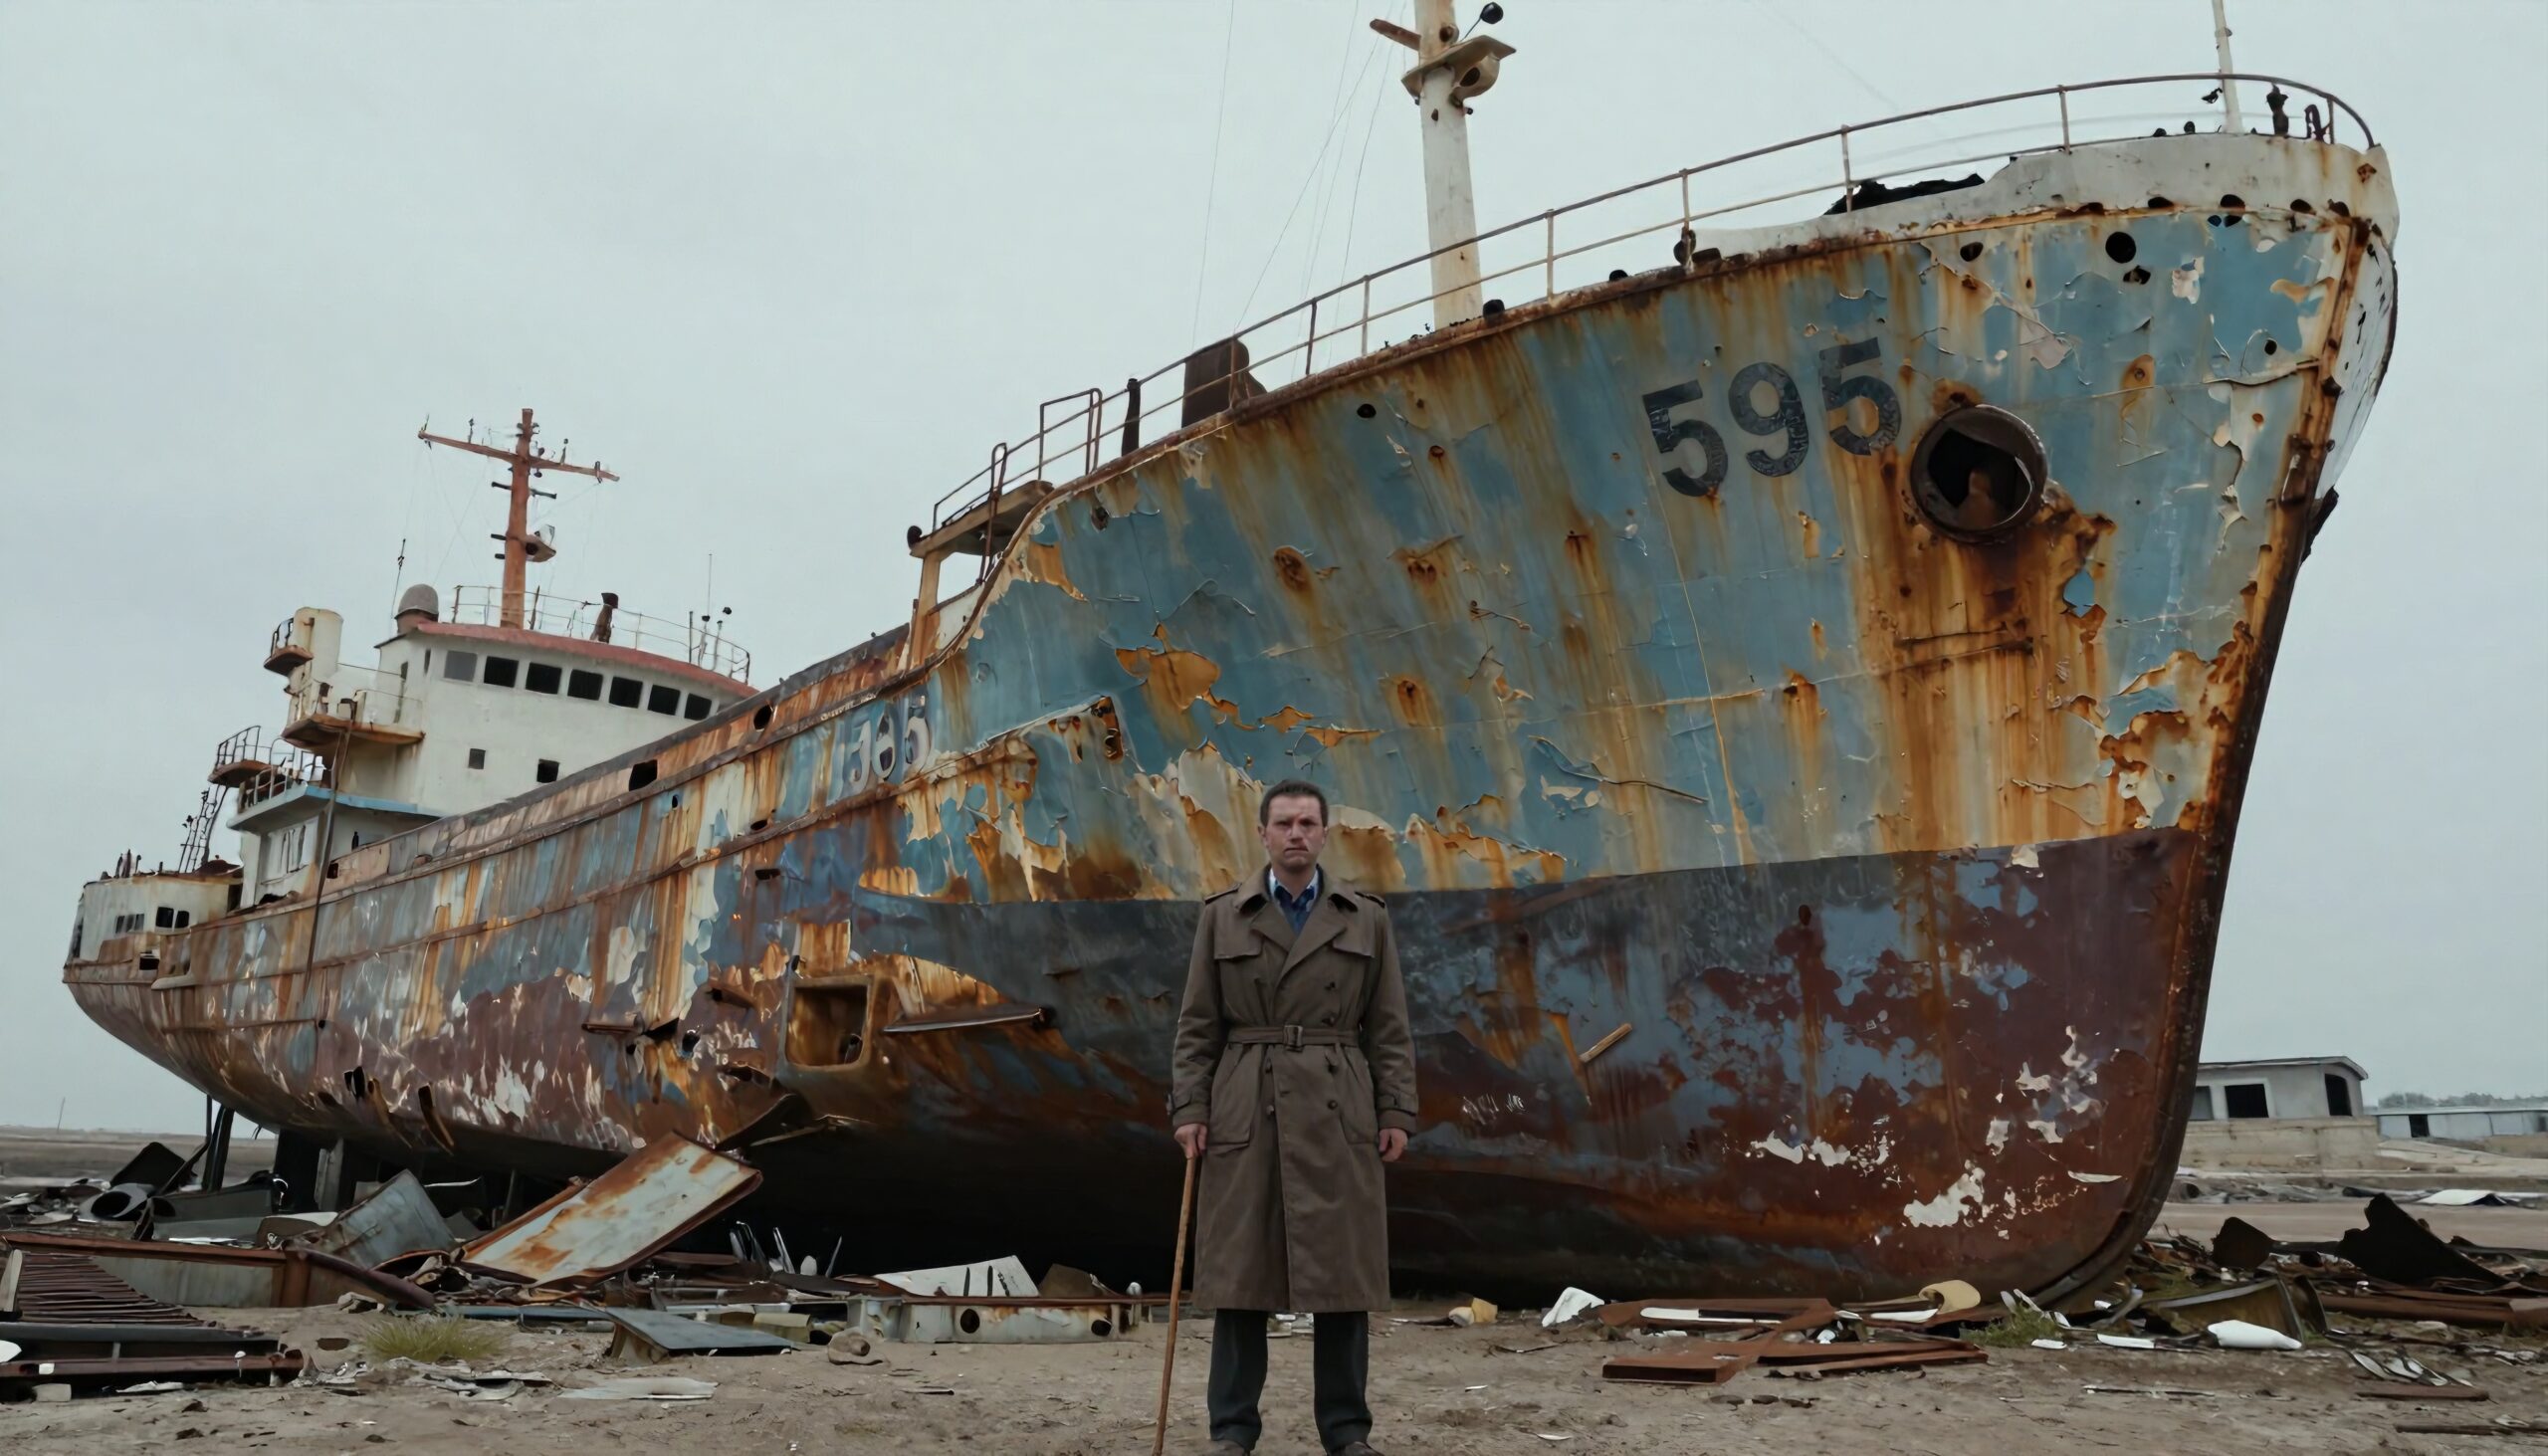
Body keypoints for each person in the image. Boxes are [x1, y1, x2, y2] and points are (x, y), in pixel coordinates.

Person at [1169, 779, 1417, 1456]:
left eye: (1308, 822)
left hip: (1339, 1105)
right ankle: (1231, 1430)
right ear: (1264, 833)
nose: (1297, 833)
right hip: (1247, 1100)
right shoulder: (1223, 916)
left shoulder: (1366, 916)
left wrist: (1395, 1108)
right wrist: (1190, 1107)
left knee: (1342, 1277)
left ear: (1326, 833)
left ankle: (1346, 1431)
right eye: (1284, 823)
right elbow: (1197, 1026)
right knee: (1239, 1276)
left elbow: (1389, 1027)